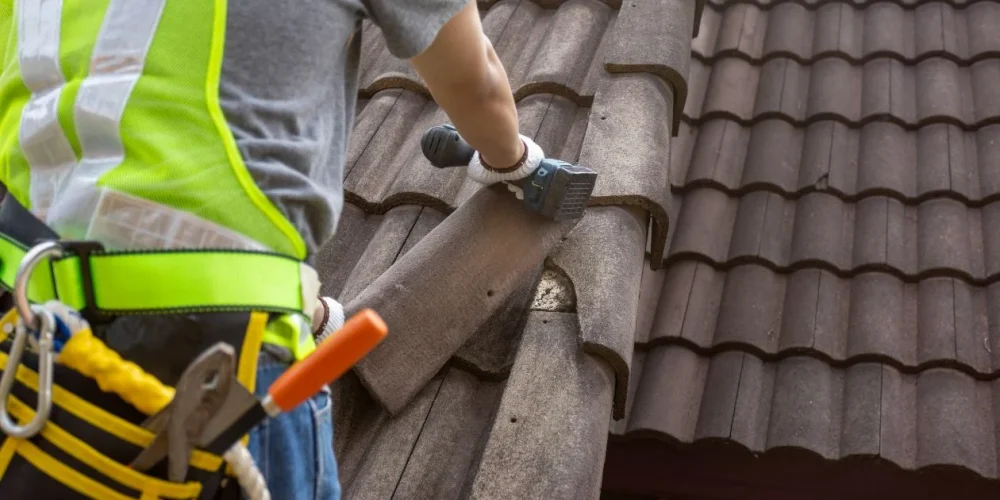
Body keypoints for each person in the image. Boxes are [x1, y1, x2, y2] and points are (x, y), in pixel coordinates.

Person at [0, 0, 549, 499]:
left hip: (25, 338)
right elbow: (477, 85)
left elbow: (124, 170)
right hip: (211, 357)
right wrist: (516, 161)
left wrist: (298, 302)